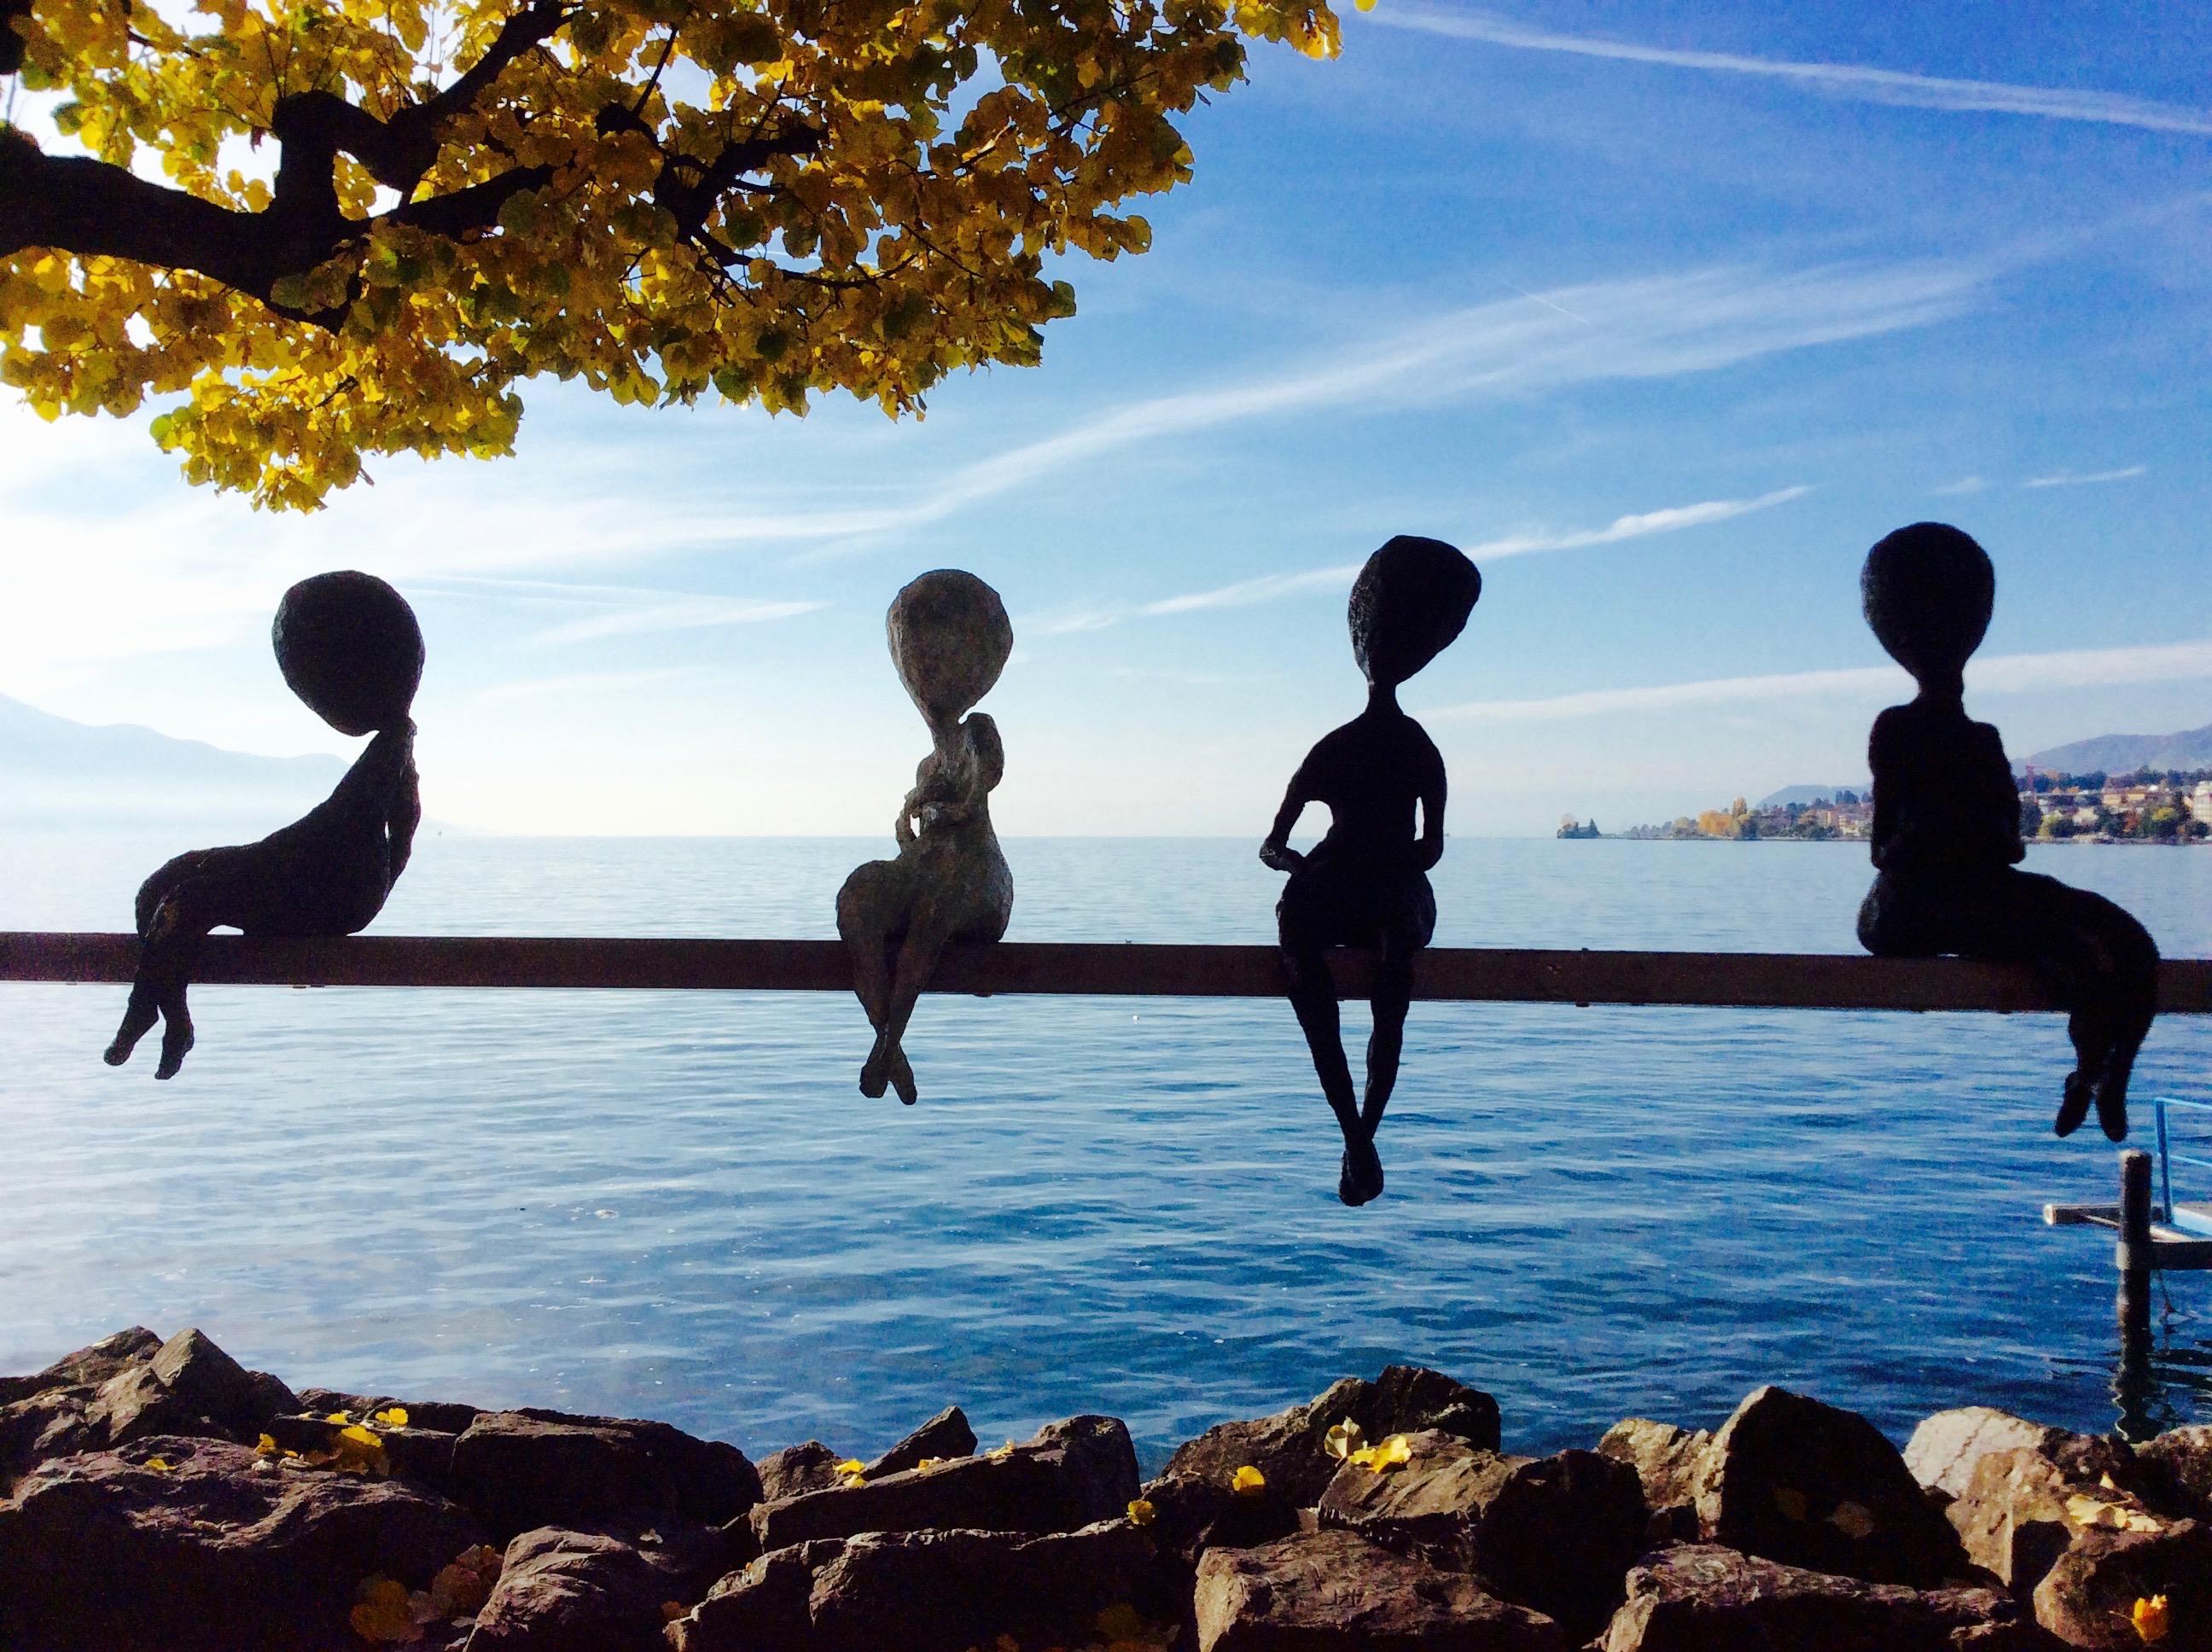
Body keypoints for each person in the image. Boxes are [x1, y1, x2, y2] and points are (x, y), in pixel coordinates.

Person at [1855, 522, 2157, 1141]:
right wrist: (1949, 844)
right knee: (2080, 952)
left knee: (2130, 942)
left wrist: (1969, 844)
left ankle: (2104, 1074)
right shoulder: (1898, 730)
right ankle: (2092, 1070)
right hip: (1911, 907)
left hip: (1974, 891)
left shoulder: (1979, 738)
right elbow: (1885, 849)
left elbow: (2006, 843)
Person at [104, 572, 423, 1079]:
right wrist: (382, 878)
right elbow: (399, 825)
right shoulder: (394, 746)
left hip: (331, 889)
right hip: (332, 877)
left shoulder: (389, 751)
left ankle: (152, 1016)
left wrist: (373, 886)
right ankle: (168, 1008)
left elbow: (360, 828)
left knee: (185, 900)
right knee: (160, 890)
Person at [1260, 536, 1481, 1205]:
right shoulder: (1411, 747)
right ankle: (1360, 1139)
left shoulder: (1348, 745)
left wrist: (1311, 866)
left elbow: (1275, 845)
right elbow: (1429, 846)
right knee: (1375, 982)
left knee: (1363, 973)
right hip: (1369, 885)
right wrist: (1315, 867)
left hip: (1366, 886)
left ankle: (1357, 1139)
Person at [836, 569, 1014, 1105]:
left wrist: (937, 809)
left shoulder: (977, 735)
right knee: (858, 894)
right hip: (928, 871)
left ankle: (888, 1045)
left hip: (977, 879)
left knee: (934, 909)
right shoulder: (925, 766)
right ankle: (889, 1047)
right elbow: (917, 841)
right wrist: (907, 828)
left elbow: (977, 793)